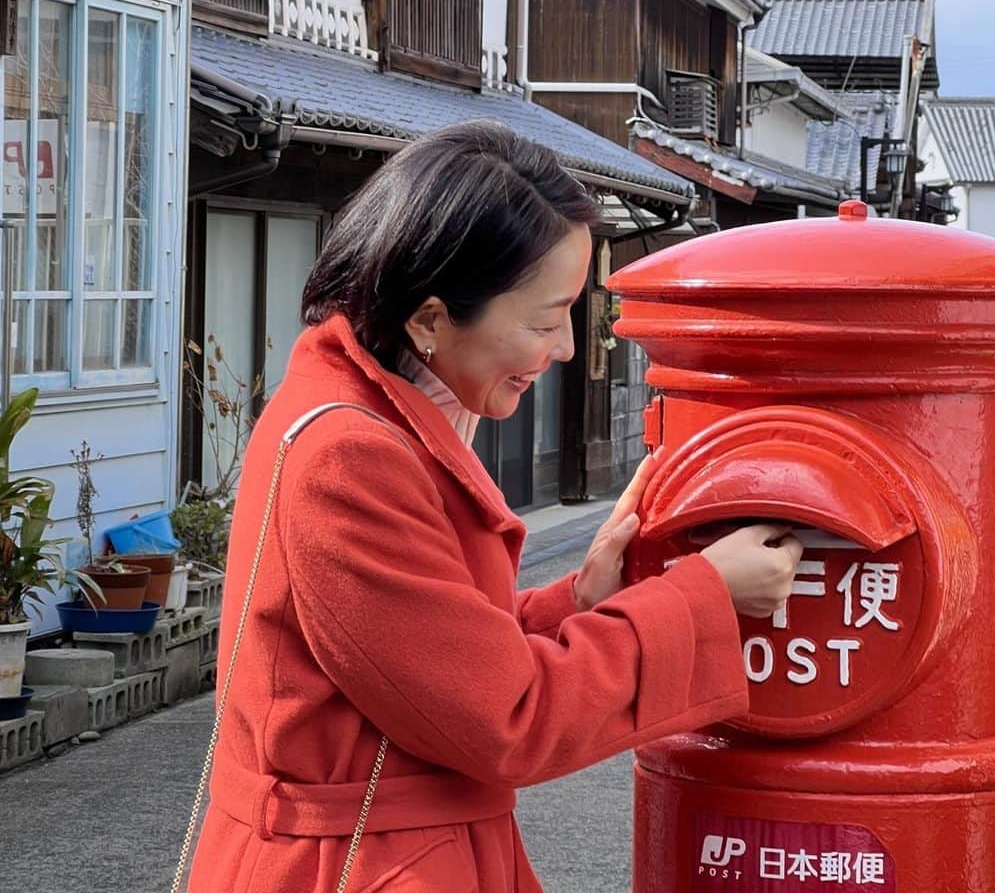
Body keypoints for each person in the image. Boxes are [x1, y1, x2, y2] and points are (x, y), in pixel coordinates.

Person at [186, 121, 802, 892]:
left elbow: (422, 652)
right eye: (547, 321)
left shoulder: (362, 407)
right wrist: (703, 596)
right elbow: (505, 713)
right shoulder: (352, 456)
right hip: (366, 867)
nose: (569, 349)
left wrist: (579, 601)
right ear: (432, 319)